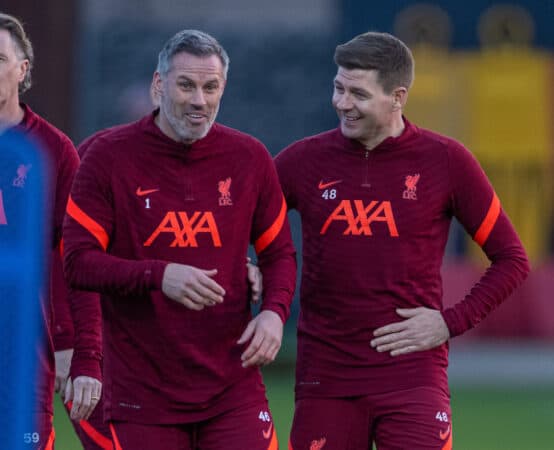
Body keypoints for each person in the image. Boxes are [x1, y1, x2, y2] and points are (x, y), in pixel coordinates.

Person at [275, 31, 530, 450]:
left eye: (358, 93)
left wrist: (450, 322)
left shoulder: (446, 160)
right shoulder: (304, 160)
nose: (341, 102)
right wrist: (248, 267)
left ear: (397, 97)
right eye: (338, 87)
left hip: (413, 378)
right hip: (326, 379)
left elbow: (512, 259)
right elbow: (236, 225)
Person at [62, 29, 296, 450]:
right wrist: (160, 275)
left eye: (211, 87)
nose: (199, 100)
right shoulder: (105, 156)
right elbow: (78, 262)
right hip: (140, 392)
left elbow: (278, 252)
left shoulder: (250, 158)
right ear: (158, 85)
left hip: (232, 385)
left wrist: (275, 313)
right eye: (186, 85)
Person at [0, 12, 103, 449]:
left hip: (22, 352)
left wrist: (72, 345)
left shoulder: (53, 150)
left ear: (23, 69)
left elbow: (74, 259)